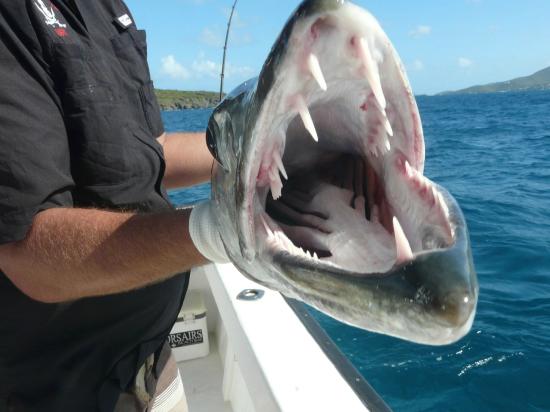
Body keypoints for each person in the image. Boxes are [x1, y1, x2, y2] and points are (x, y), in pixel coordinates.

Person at [0, 1, 227, 411]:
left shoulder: (110, 7)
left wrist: (256, 154)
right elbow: (28, 253)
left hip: (158, 369)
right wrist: (225, 232)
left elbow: (152, 152)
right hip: (61, 395)